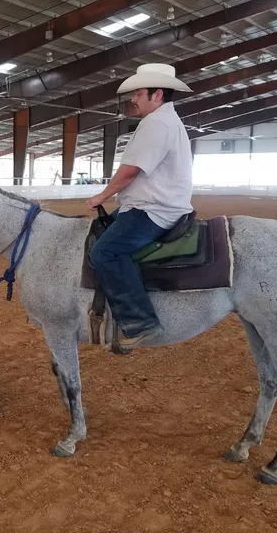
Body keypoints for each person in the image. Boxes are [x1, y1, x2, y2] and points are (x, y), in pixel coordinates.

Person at [86, 64, 194, 350]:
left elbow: (131, 170)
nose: (133, 98)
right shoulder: (166, 120)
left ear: (157, 94)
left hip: (152, 209)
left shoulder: (156, 123)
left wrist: (102, 196)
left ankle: (139, 320)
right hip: (154, 204)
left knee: (105, 251)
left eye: (139, 93)